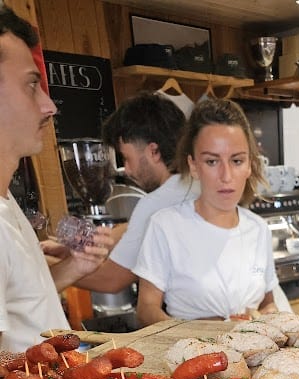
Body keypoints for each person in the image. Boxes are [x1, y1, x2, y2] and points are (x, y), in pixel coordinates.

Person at [0, 5, 112, 353]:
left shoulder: (7, 202)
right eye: (32, 85)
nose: (50, 106)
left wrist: (74, 265)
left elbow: (21, 308)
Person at [133, 98, 281, 325]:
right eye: (212, 161)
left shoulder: (258, 229)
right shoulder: (166, 225)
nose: (226, 176)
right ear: (193, 166)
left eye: (237, 161)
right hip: (193, 354)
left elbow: (266, 304)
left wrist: (271, 320)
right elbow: (146, 310)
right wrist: (197, 335)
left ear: (249, 165)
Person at [61, 91, 198, 294]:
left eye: (126, 158)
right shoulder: (198, 183)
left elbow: (110, 280)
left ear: (154, 151)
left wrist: (43, 265)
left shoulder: (154, 203)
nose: (128, 169)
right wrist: (101, 240)